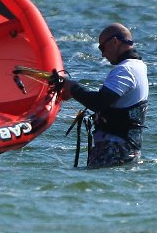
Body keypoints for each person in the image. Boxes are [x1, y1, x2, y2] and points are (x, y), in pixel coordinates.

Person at [59, 22, 149, 169]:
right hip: (126, 152)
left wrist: (72, 88)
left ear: (115, 41)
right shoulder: (138, 66)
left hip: (114, 152)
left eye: (102, 47)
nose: (102, 53)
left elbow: (99, 102)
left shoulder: (126, 70)